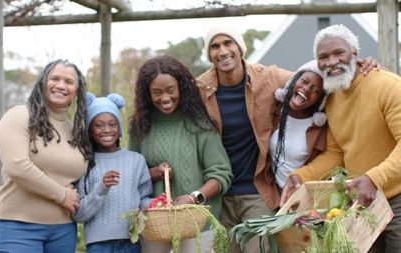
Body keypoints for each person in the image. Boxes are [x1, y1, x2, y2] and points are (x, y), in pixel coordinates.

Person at [196, 26, 379, 253]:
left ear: (239, 48)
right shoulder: (201, 89)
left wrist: (359, 65)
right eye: (215, 46)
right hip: (221, 193)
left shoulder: (267, 77)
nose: (223, 51)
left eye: (228, 43)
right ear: (209, 53)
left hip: (258, 190)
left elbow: (318, 78)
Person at [281, 24, 401, 253]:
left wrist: (374, 178)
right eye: (323, 57)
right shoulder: (333, 99)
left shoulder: (389, 86)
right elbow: (336, 154)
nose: (332, 61)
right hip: (362, 204)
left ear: (355, 55)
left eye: (339, 53)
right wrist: (300, 176)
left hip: (397, 197)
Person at [129, 54, 233, 253]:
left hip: (197, 221)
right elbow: (132, 174)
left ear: (181, 88)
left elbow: (221, 174)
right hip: (154, 222)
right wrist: (154, 173)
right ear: (147, 94)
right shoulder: (140, 128)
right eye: (157, 92)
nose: (165, 98)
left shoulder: (199, 125)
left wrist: (194, 197)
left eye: (170, 90)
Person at [0, 59, 93, 253]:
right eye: (55, 78)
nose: (61, 85)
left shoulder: (75, 131)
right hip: (17, 226)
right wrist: (61, 195)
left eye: (69, 82)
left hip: (63, 230)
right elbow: (17, 166)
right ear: (43, 83)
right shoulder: (19, 116)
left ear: (77, 92)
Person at [72, 92, 153, 253]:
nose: (107, 130)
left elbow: (144, 200)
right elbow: (79, 215)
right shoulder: (84, 163)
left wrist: (158, 204)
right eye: (99, 125)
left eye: (112, 124)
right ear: (90, 130)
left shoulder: (136, 160)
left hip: (132, 242)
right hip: (98, 245)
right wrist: (102, 188)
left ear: (119, 127)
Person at [269, 59, 327, 190]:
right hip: (271, 191)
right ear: (293, 81)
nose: (306, 89)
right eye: (304, 81)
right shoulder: (275, 111)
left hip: (301, 193)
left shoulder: (319, 128)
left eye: (315, 90)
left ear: (320, 100)